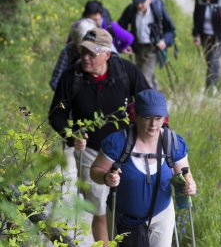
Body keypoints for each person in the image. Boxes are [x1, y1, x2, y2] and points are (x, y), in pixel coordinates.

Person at [49, 28, 151, 246]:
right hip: (91, 152)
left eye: (92, 53)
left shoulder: (126, 71)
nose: (85, 58)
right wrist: (71, 135)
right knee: (99, 207)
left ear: (107, 54)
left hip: (128, 150)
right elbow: (56, 115)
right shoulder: (71, 77)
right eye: (83, 51)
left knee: (130, 203)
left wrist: (150, 128)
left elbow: (148, 101)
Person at [90, 89, 196, 247]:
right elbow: (95, 171)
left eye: (159, 118)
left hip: (162, 217)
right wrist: (106, 177)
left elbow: (185, 174)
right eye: (147, 118)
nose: (154, 124)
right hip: (125, 220)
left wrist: (190, 186)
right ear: (137, 116)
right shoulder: (118, 142)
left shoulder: (173, 143)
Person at [118, 0, 176, 90]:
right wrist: (124, 44)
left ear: (149, 0)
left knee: (143, 78)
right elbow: (120, 28)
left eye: (142, 2)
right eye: (136, 2)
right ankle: (159, 97)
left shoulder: (157, 10)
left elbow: (170, 29)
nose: (139, 5)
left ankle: (147, 104)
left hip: (153, 48)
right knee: (144, 74)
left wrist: (165, 41)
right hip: (138, 48)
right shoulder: (131, 10)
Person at [50, 18, 97, 90]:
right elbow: (55, 81)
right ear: (75, 41)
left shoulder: (103, 50)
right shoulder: (69, 50)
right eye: (81, 46)